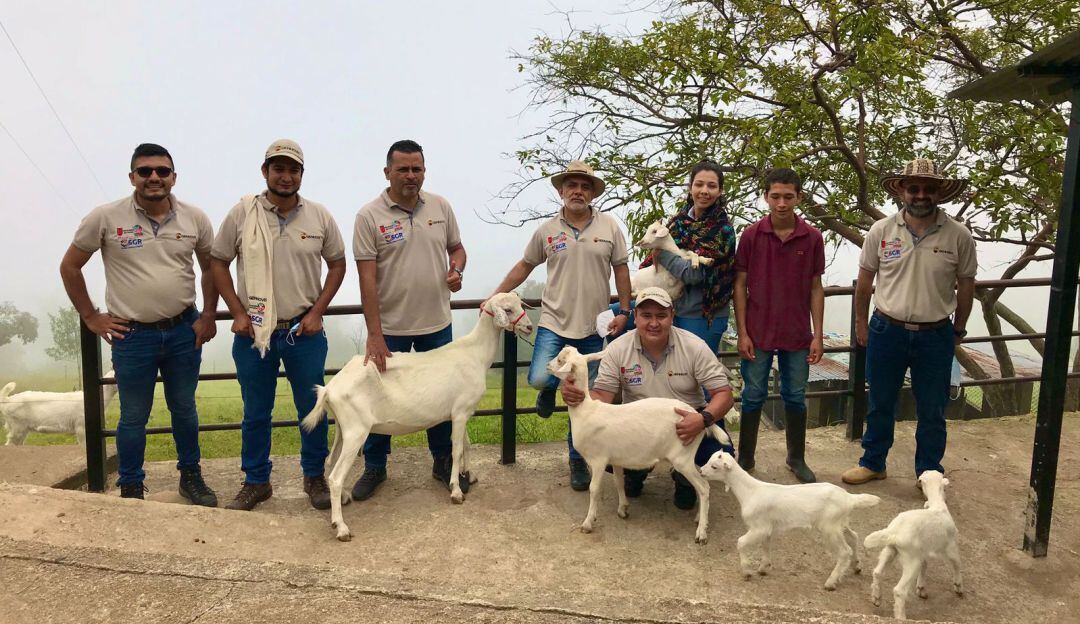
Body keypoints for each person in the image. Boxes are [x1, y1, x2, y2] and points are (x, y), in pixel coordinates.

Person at [60, 142, 218, 505]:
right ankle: (130, 487)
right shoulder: (105, 217)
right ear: (132, 176)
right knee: (133, 415)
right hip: (132, 335)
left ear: (174, 177)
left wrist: (209, 315)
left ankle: (191, 476)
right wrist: (90, 316)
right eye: (145, 171)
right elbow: (70, 266)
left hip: (183, 330)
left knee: (185, 408)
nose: (154, 178)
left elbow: (211, 267)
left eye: (162, 171)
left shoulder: (195, 218)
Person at [211, 139, 347, 510]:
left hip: (303, 331)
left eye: (293, 169)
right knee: (256, 410)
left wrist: (318, 311)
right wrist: (237, 312)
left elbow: (337, 263)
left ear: (302, 174)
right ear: (265, 172)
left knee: (313, 408)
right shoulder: (243, 214)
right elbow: (218, 261)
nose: (285, 177)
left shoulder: (319, 216)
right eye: (278, 168)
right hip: (255, 331)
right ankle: (256, 481)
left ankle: (314, 477)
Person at [494, 160, 631, 490]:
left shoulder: (609, 226)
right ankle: (549, 391)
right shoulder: (547, 230)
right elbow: (525, 265)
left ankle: (576, 460)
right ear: (561, 190)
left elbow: (622, 270)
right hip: (554, 323)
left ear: (592, 192)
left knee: (584, 401)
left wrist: (624, 310)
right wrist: (496, 295)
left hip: (593, 328)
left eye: (585, 186)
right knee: (540, 377)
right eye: (572, 185)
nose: (578, 191)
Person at [348, 139, 469, 502]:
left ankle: (443, 461)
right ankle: (374, 467)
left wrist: (457, 269)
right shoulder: (369, 216)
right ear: (387, 172)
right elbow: (366, 279)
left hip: (437, 324)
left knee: (443, 398)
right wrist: (374, 335)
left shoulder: (441, 207)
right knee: (378, 398)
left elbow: (458, 249)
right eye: (403, 169)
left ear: (424, 171)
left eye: (417, 168)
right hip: (391, 330)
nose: (411, 176)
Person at [842, 158, 975, 485]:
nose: (920, 195)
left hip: (936, 334)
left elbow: (968, 286)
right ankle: (873, 462)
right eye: (913, 188)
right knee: (880, 401)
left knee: (933, 408)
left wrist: (958, 328)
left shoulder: (958, 236)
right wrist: (861, 322)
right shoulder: (881, 230)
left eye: (928, 189)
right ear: (901, 190)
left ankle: (928, 472)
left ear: (939, 193)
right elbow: (864, 282)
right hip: (887, 330)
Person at [561, 287, 735, 509]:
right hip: (639, 428)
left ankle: (685, 480)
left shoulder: (694, 346)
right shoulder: (617, 349)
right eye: (646, 316)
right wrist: (578, 396)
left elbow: (724, 394)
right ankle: (635, 473)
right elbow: (602, 396)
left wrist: (702, 420)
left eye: (661, 316)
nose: (654, 323)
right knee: (602, 449)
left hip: (688, 425)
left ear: (672, 316)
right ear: (635, 317)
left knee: (719, 456)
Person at [732, 168, 825, 483]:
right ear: (766, 197)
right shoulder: (752, 235)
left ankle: (796, 459)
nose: (782, 203)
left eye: (788, 196)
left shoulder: (811, 237)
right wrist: (742, 332)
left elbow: (816, 287)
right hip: (757, 332)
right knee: (753, 394)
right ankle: (745, 459)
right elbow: (740, 285)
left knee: (795, 395)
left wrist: (818, 335)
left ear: (799, 196)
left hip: (797, 333)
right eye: (775, 196)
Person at [629, 161, 737, 355]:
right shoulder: (677, 222)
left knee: (700, 374)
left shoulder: (722, 229)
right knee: (613, 317)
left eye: (711, 186)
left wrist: (661, 253)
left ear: (720, 191)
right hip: (669, 307)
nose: (704, 191)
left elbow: (693, 275)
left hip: (702, 315)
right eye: (699, 184)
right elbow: (650, 261)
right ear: (690, 188)